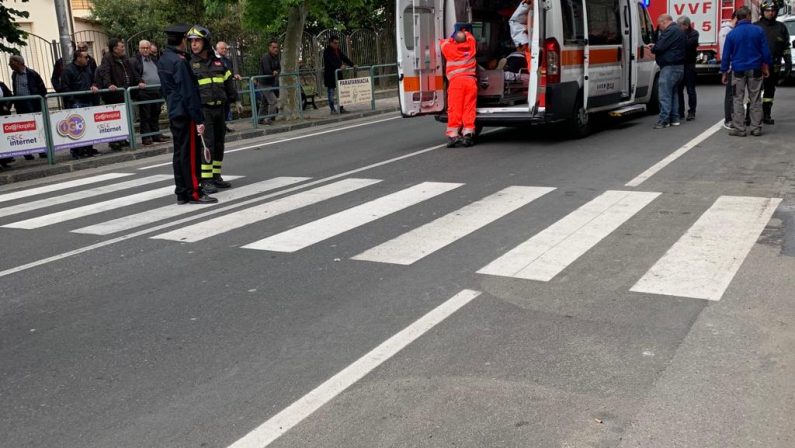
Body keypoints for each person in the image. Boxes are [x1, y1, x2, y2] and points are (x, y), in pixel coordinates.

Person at [158, 24, 216, 204]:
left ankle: (181, 192)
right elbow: (188, 91)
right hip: (185, 111)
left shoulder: (163, 59)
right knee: (190, 154)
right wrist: (198, 118)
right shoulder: (180, 61)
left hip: (174, 110)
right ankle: (194, 192)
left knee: (179, 153)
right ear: (182, 40)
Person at [187, 25, 237, 191]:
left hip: (220, 109)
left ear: (205, 42)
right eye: (191, 41)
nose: (194, 44)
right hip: (203, 110)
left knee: (219, 143)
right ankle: (206, 180)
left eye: (197, 40)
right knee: (206, 145)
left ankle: (216, 176)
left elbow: (228, 80)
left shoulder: (217, 61)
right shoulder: (190, 63)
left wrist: (233, 99)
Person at [721, 6, 772, 137]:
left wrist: (724, 72)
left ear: (737, 17)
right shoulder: (758, 31)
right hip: (755, 68)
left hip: (738, 70)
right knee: (755, 99)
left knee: (737, 99)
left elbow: (726, 55)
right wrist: (766, 66)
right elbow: (765, 51)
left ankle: (739, 128)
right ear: (749, 16)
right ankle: (756, 127)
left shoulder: (732, 34)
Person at [97, 38, 144, 150]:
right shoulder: (107, 59)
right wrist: (109, 84)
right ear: (114, 49)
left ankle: (123, 139)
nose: (123, 48)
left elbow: (133, 72)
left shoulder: (124, 58)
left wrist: (140, 81)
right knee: (114, 119)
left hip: (125, 93)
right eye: (121, 46)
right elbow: (105, 72)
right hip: (114, 95)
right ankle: (114, 141)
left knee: (125, 118)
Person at [754, 1, 792, 125]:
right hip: (758, 65)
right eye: (768, 11)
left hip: (774, 65)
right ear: (763, 11)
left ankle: (766, 114)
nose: (771, 13)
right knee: (755, 91)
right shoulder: (756, 26)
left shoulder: (781, 27)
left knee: (769, 92)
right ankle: (751, 116)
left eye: (773, 10)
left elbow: (786, 47)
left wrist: (788, 64)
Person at [646, 14, 686, 129]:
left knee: (664, 95)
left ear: (664, 22)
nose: (660, 28)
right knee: (673, 93)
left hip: (669, 67)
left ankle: (664, 120)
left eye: (660, 25)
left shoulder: (670, 31)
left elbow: (660, 47)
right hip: (679, 67)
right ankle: (675, 118)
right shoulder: (679, 30)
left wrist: (653, 48)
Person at [440, 29, 478, 147]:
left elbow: (443, 42)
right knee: (469, 108)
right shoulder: (471, 46)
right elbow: (469, 36)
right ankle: (468, 134)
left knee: (455, 108)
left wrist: (453, 38)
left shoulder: (450, 49)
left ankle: (453, 135)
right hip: (470, 81)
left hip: (456, 82)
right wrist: (464, 32)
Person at [61, 49, 101, 159]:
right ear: (78, 58)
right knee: (76, 127)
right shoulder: (68, 70)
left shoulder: (87, 69)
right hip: (76, 102)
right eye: (85, 57)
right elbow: (64, 87)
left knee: (88, 126)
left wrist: (93, 85)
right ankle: (76, 150)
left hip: (88, 100)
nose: (88, 59)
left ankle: (88, 148)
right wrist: (73, 98)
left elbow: (93, 80)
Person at [9, 54, 48, 160]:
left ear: (19, 63)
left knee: (37, 128)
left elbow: (42, 89)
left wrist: (40, 101)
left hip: (32, 104)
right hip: (21, 105)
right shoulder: (14, 75)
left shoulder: (32, 74)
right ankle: (27, 152)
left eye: (11, 63)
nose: (9, 65)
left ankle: (42, 151)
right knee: (24, 128)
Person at [129, 40, 168, 145]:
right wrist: (139, 82)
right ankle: (146, 137)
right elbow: (134, 74)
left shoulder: (154, 59)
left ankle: (156, 134)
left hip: (156, 91)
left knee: (155, 114)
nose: (146, 50)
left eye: (147, 48)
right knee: (145, 115)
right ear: (139, 48)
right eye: (143, 48)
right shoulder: (135, 60)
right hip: (144, 92)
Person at [323, 36, 354, 114]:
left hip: (338, 75)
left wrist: (352, 65)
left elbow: (344, 58)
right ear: (330, 43)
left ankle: (341, 108)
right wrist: (339, 66)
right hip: (330, 75)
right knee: (331, 93)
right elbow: (331, 61)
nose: (336, 44)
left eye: (338, 43)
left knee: (341, 92)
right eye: (335, 43)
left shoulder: (338, 50)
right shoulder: (326, 51)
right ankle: (332, 109)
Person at [215, 41, 242, 132]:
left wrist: (234, 75)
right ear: (217, 49)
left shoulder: (227, 60)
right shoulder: (215, 60)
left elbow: (228, 73)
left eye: (226, 48)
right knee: (221, 110)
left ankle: (224, 126)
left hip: (227, 89)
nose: (224, 50)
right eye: (222, 48)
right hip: (219, 89)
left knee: (226, 109)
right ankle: (220, 128)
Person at [676, 16, 699, 121]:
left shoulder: (694, 33)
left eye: (680, 25)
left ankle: (692, 111)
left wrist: (680, 38)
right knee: (679, 89)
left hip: (689, 64)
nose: (678, 27)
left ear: (686, 25)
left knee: (690, 89)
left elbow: (688, 45)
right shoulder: (679, 33)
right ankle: (680, 111)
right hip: (680, 64)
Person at [719, 12, 738, 129]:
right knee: (730, 94)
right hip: (732, 67)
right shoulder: (726, 31)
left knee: (736, 94)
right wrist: (726, 69)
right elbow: (724, 52)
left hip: (737, 66)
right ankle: (728, 119)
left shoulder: (731, 30)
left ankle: (734, 117)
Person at [258, 40, 281, 125]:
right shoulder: (265, 57)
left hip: (271, 83)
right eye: (273, 47)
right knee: (273, 101)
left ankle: (260, 119)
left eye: (276, 47)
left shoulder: (276, 57)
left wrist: (276, 71)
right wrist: (273, 72)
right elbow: (267, 70)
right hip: (264, 83)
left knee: (264, 102)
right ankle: (268, 119)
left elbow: (279, 68)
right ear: (269, 48)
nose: (275, 49)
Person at [0, 80, 14, 168]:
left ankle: (4, 160)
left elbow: (9, 96)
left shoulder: (1, 84)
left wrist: (7, 106)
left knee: (4, 138)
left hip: (3, 114)